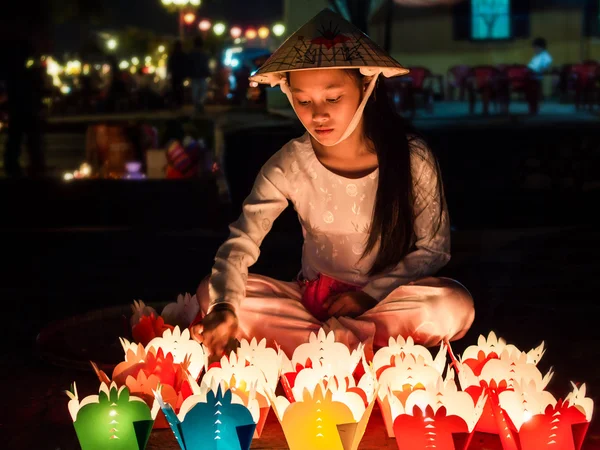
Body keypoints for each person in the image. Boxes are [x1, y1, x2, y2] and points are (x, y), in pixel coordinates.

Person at [190, 9, 474, 358]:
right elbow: (242, 241)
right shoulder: (290, 163)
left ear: (366, 86)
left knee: (453, 305)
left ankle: (323, 346)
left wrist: (369, 295)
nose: (318, 114)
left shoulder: (411, 156)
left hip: (384, 303)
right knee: (214, 293)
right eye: (303, 101)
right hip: (312, 304)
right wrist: (225, 308)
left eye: (333, 98)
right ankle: (351, 348)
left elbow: (434, 249)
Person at [188, 35, 211, 113]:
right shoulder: (204, 53)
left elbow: (189, 64)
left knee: (195, 90)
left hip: (194, 75)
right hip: (202, 75)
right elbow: (206, 65)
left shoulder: (191, 53)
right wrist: (208, 72)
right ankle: (200, 103)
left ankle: (197, 104)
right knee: (202, 90)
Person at [167, 40, 187, 109]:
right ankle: (180, 103)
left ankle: (175, 103)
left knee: (174, 89)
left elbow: (169, 65)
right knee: (180, 88)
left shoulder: (172, 54)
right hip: (180, 74)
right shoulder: (183, 54)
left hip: (174, 74)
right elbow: (185, 64)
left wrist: (169, 73)